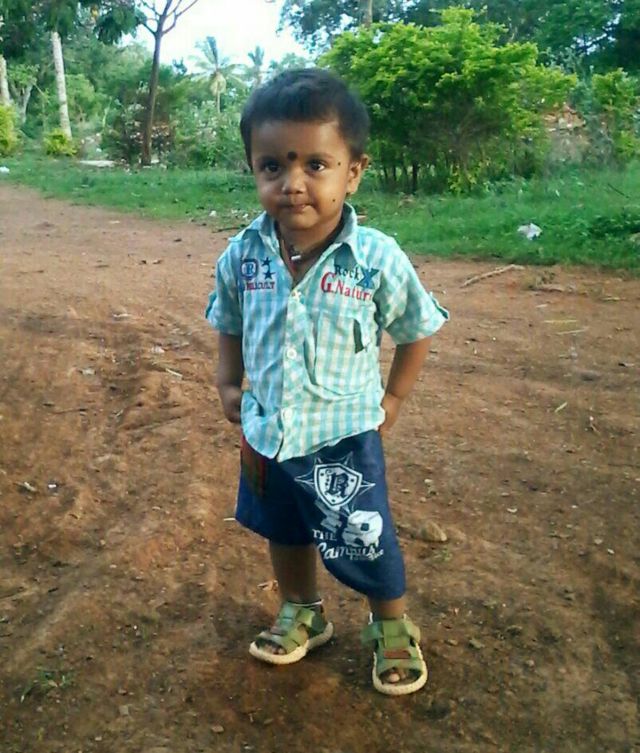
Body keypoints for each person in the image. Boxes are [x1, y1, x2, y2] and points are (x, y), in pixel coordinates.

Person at [205, 68, 448, 696]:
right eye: (272, 166)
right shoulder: (243, 256)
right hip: (267, 429)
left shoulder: (377, 259)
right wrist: (228, 382)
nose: (293, 183)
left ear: (353, 172)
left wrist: (394, 398)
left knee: (364, 534)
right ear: (253, 169)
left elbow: (417, 327)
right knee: (283, 527)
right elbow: (228, 319)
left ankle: (391, 624)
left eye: (316, 165)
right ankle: (303, 611)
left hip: (344, 433)